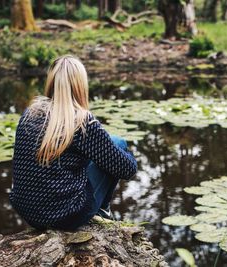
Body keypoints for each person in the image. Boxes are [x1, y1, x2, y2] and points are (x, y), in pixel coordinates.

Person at [9, 55, 137, 231]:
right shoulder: (80, 121)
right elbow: (128, 170)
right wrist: (118, 151)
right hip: (66, 216)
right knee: (119, 142)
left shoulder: (30, 113)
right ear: (80, 85)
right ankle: (101, 211)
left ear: (51, 82)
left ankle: (99, 210)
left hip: (28, 212)